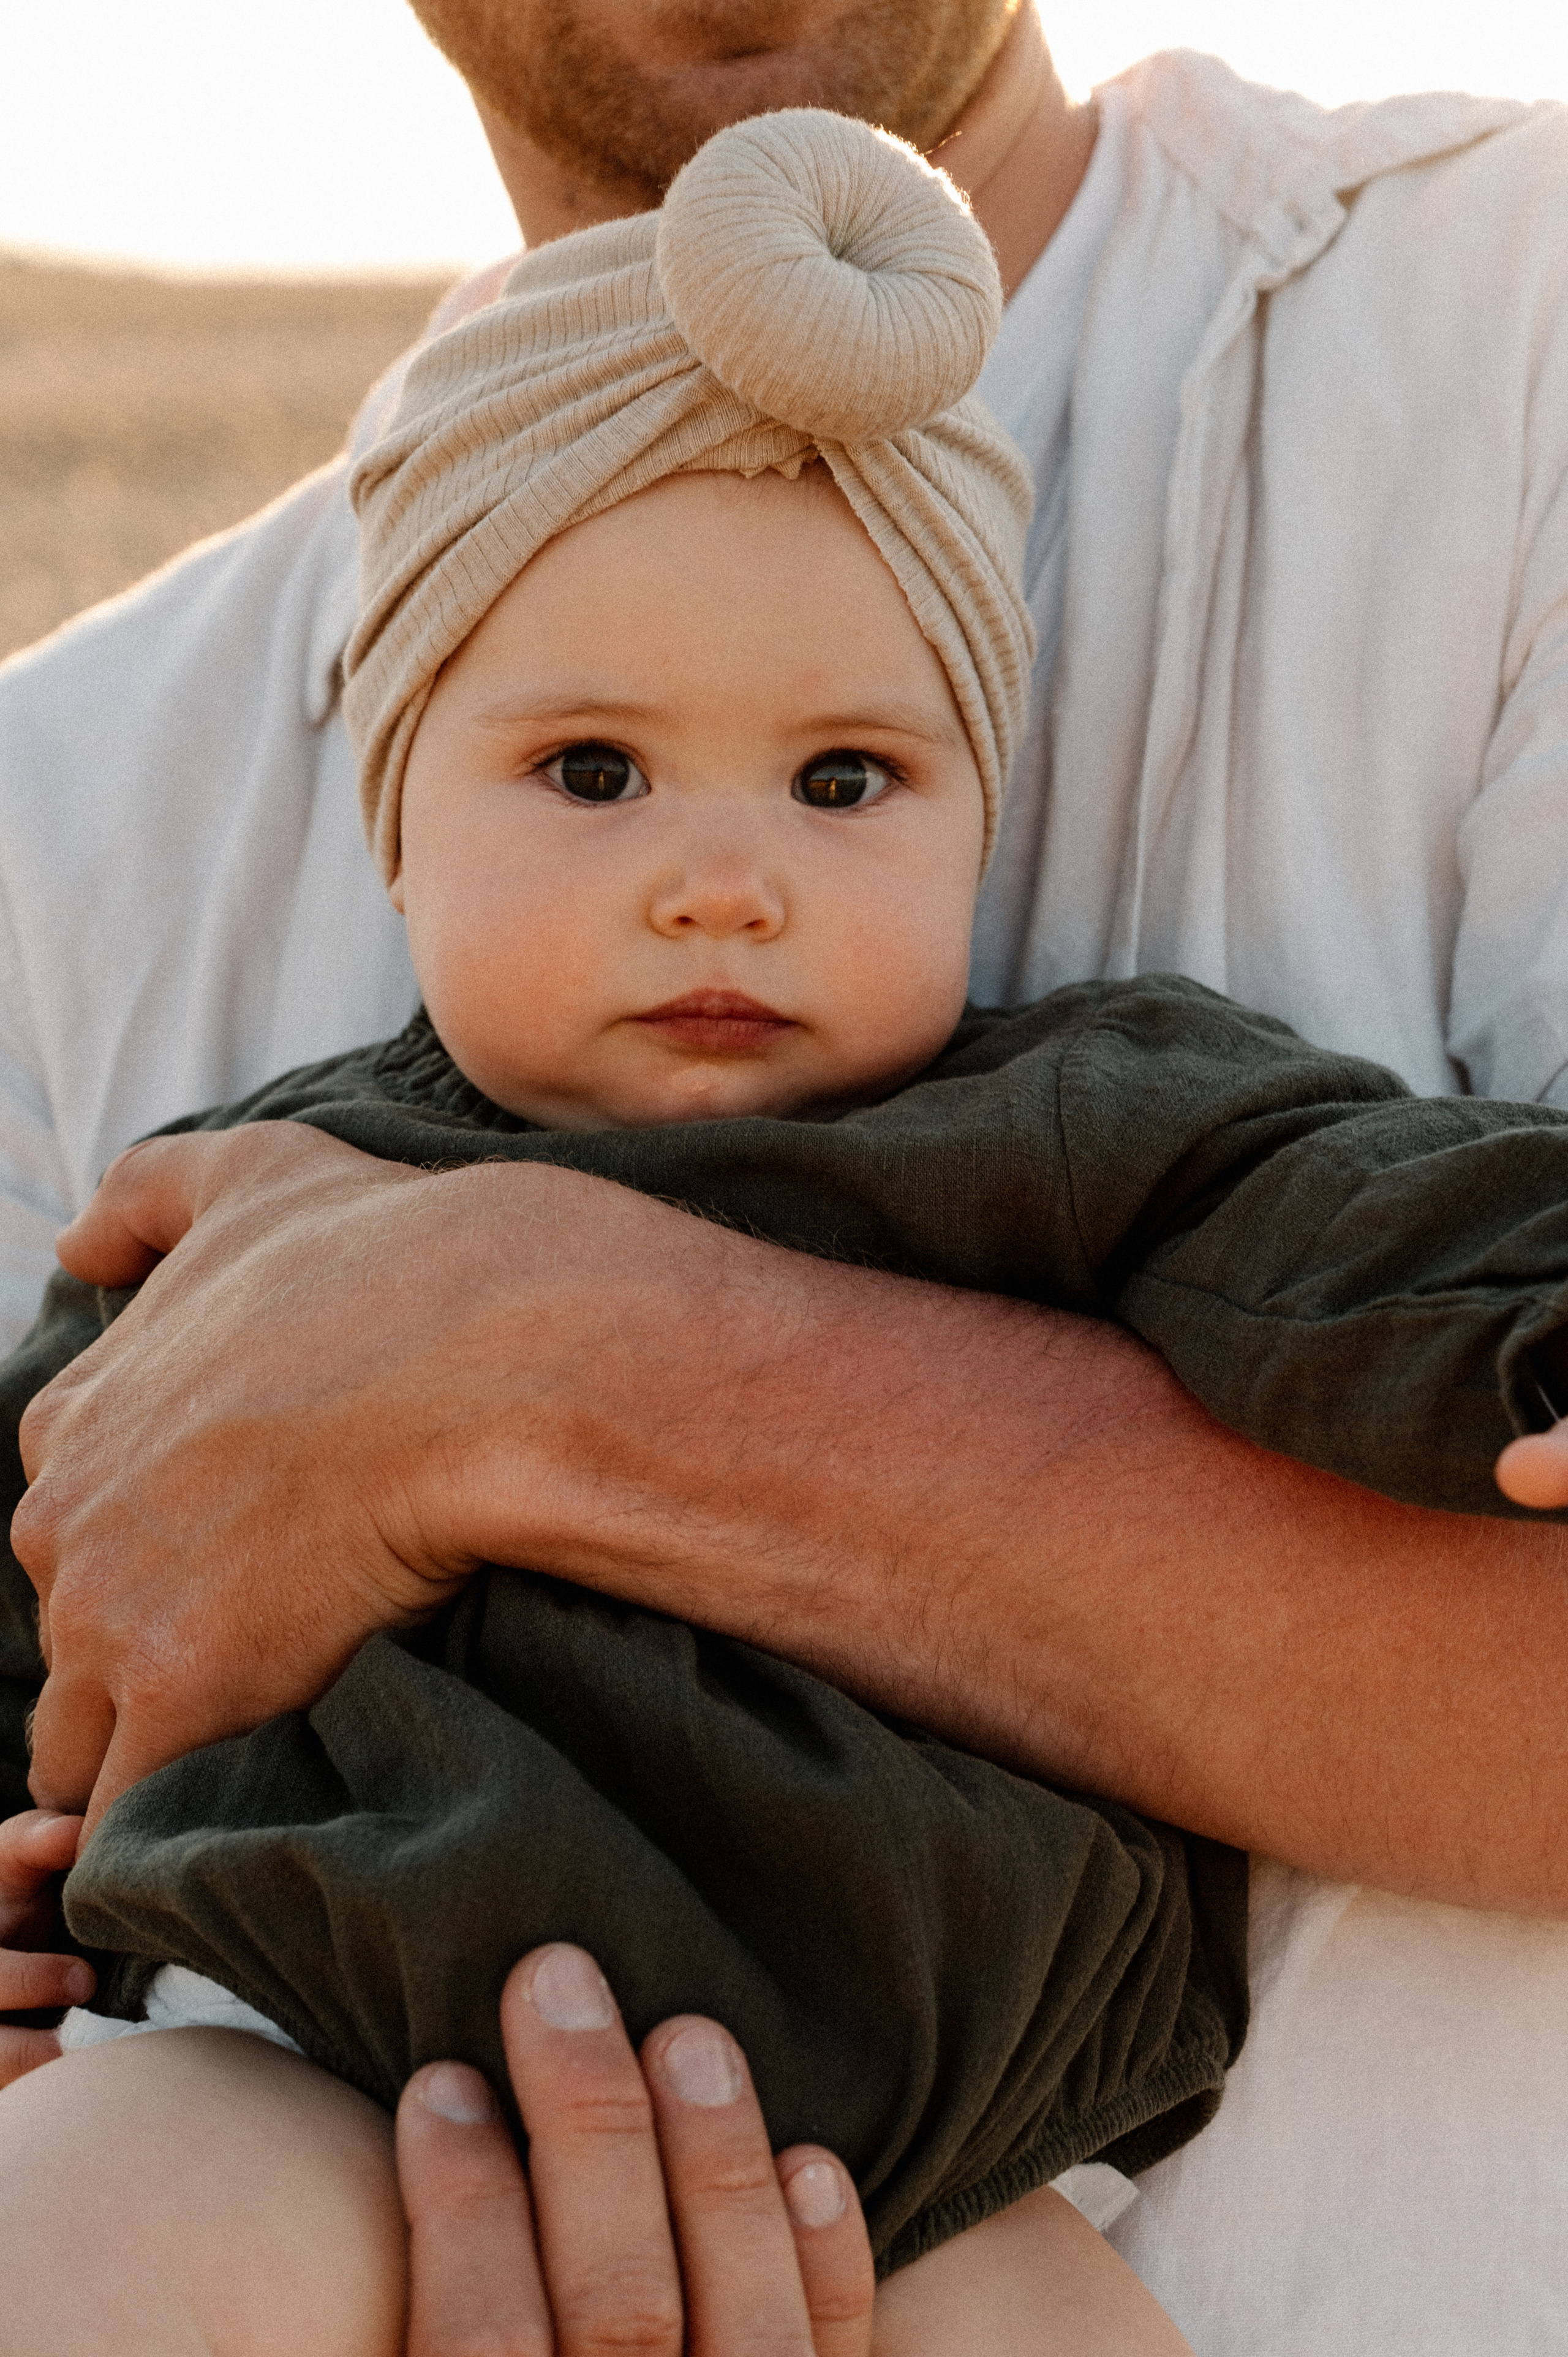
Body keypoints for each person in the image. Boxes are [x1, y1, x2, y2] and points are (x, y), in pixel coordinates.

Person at [2, 4, 1567, 2349]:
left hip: (949, 2178)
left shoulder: (1058, 1110)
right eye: (596, 774)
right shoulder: (185, 1063)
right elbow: (54, 1531)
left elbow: (1333, 1233)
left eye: (844, 785)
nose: (721, 882)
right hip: (328, 2064)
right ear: (402, 810)